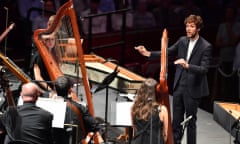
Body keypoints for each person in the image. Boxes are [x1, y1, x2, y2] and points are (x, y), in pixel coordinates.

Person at [135, 14, 212, 144]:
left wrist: (187, 65)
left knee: (190, 122)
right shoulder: (182, 41)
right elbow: (167, 52)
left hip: (193, 88)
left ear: (198, 28)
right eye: (187, 26)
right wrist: (148, 53)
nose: (188, 29)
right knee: (176, 121)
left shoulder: (206, 46)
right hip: (179, 87)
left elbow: (204, 69)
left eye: (192, 26)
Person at [52, 75, 104, 144]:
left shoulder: (45, 107)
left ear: (55, 89)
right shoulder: (80, 108)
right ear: (70, 90)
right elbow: (95, 127)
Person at [131, 78, 168, 144]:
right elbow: (165, 135)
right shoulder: (162, 110)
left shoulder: (134, 108)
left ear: (142, 91)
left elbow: (134, 131)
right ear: (156, 92)